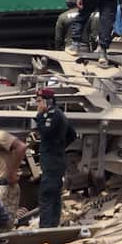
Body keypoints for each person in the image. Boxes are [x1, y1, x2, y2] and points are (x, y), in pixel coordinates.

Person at [34, 88, 72, 228]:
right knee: (54, 196)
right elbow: (72, 134)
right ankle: (52, 226)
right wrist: (59, 146)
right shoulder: (60, 115)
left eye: (39, 101)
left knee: (46, 195)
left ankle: (45, 228)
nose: (37, 105)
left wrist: (39, 116)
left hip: (51, 163)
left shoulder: (52, 115)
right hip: (56, 160)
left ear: (46, 101)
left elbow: (45, 132)